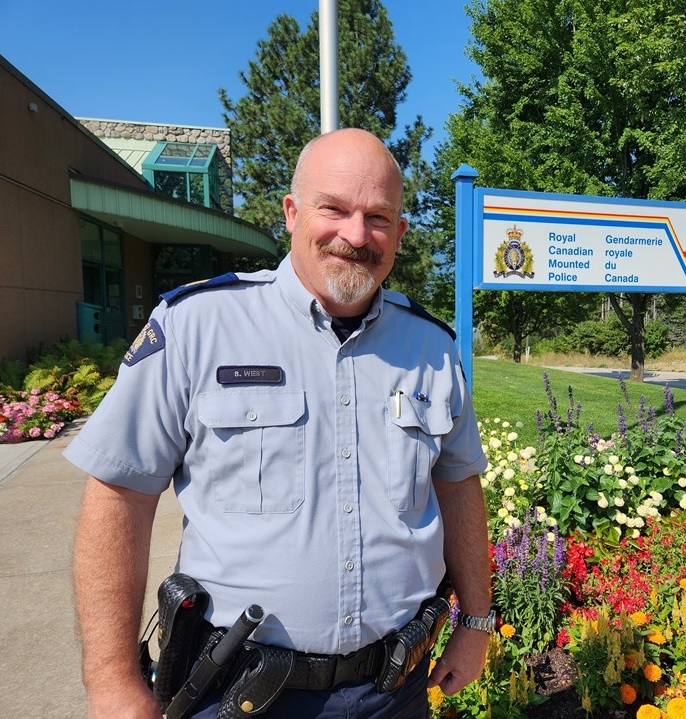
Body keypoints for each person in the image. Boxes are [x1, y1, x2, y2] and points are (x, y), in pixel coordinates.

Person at [67, 128, 492, 719]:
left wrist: (475, 622)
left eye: (377, 217)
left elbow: (457, 485)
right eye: (335, 209)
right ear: (292, 214)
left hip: (394, 691)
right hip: (239, 694)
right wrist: (112, 681)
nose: (355, 234)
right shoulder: (198, 327)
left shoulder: (432, 347)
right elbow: (120, 495)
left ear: (399, 233)